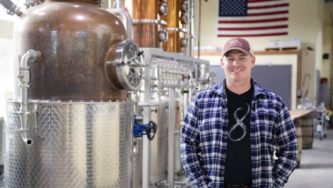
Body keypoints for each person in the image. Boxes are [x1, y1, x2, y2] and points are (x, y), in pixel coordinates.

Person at [180, 38, 297, 188]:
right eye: (230, 59)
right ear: (222, 62)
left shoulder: (274, 104)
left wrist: (273, 184)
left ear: (253, 61)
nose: (236, 64)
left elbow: (290, 149)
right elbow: (187, 145)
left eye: (242, 58)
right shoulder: (201, 103)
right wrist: (201, 185)